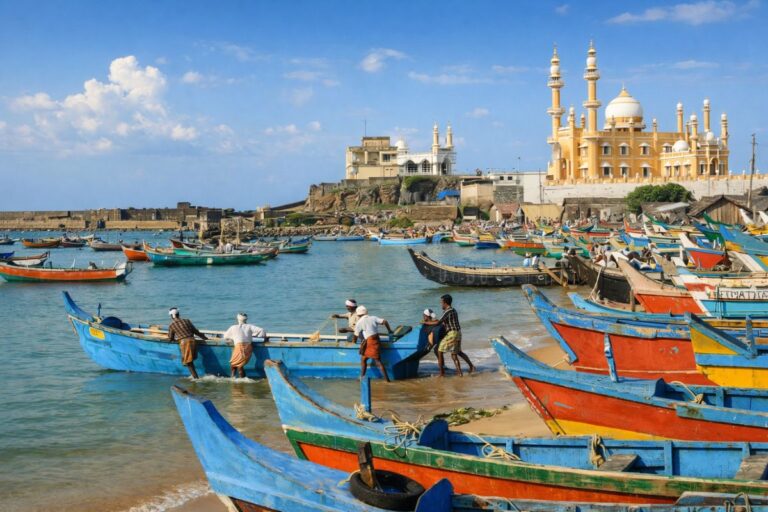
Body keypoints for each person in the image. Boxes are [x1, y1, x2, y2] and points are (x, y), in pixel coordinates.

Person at [434, 294, 475, 377]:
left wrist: (426, 322)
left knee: (439, 350)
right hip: (458, 333)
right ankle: (466, 369)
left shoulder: (447, 311)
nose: (441, 304)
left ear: (445, 303)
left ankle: (442, 374)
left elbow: (438, 322)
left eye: (441, 302)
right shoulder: (453, 310)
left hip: (452, 333)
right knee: (456, 353)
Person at [353, 305, 393, 382]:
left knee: (377, 361)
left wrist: (353, 342)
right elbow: (385, 321)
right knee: (364, 358)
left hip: (370, 342)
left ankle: (387, 380)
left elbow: (356, 335)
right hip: (376, 340)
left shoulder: (359, 322)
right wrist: (389, 330)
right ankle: (362, 377)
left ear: (358, 315)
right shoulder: (373, 318)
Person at [167, 307, 208, 379]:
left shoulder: (172, 325)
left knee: (188, 362)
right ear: (178, 314)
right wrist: (204, 338)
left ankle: (196, 378)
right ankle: (195, 377)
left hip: (185, 343)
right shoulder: (187, 321)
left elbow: (170, 338)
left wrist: (172, 340)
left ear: (171, 316)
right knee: (189, 360)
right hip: (193, 340)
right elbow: (195, 331)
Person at [224, 313, 267, 378]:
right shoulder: (249, 326)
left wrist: (233, 338)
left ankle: (238, 380)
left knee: (236, 365)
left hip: (239, 347)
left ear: (237, 319)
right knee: (237, 365)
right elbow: (262, 330)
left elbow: (225, 337)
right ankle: (236, 378)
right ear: (246, 319)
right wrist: (258, 336)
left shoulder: (233, 327)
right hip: (248, 347)